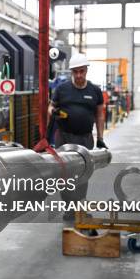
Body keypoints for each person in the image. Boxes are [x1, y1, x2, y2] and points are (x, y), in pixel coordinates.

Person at [48, 53, 106, 220]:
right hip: (64, 138)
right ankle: (69, 209)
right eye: (75, 72)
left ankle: (79, 208)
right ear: (71, 72)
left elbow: (100, 115)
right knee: (64, 175)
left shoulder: (94, 91)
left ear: (86, 70)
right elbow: (50, 108)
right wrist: (54, 112)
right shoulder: (62, 89)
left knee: (83, 174)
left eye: (82, 71)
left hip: (85, 138)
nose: (79, 75)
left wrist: (101, 138)